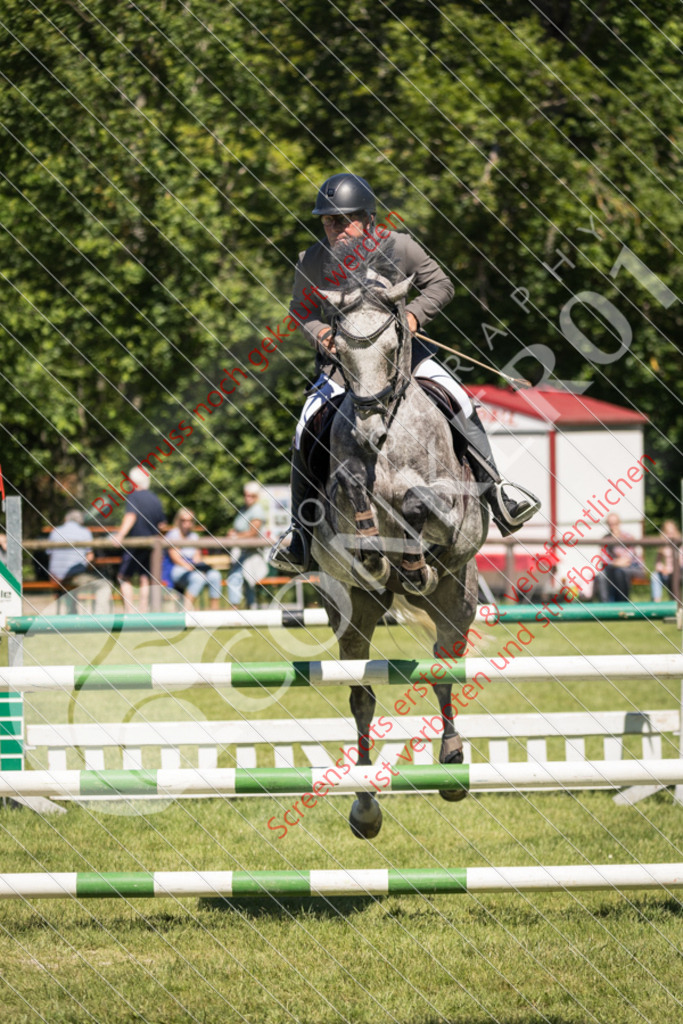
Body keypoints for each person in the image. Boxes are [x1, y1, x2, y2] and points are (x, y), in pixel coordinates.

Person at [270, 172, 540, 571]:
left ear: (367, 218)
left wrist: (412, 316)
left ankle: (499, 493)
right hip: (343, 368)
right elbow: (301, 310)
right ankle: (300, 533)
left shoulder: (400, 247)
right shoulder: (312, 259)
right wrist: (322, 333)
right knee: (304, 425)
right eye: (329, 221)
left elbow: (441, 285)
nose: (336, 229)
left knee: (460, 399)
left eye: (344, 220)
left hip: (405, 361)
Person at [113, 468, 167, 613]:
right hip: (152, 545)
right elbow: (162, 525)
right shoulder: (155, 498)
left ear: (132, 481)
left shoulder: (134, 497)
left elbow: (131, 516)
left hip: (135, 544)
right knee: (145, 578)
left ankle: (130, 612)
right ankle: (143, 611)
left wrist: (120, 536)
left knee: (123, 577)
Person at [47, 509, 110, 613]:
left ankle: (72, 613)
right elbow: (90, 557)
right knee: (104, 585)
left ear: (66, 519)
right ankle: (101, 618)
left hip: (55, 576)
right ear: (81, 521)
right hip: (72, 576)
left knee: (75, 582)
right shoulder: (85, 532)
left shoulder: (55, 531)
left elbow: (50, 556)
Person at [163, 508, 223, 611]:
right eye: (184, 520)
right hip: (176, 569)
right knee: (198, 577)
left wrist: (200, 566)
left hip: (192, 569)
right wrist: (190, 567)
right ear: (178, 520)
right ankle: (185, 611)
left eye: (190, 520)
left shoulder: (194, 536)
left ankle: (214, 613)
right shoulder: (173, 534)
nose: (187, 523)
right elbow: (175, 558)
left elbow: (197, 557)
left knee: (215, 575)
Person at [226, 482, 268, 609]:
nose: (248, 498)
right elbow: (240, 529)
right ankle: (248, 609)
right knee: (242, 580)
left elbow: (253, 532)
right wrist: (233, 533)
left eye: (252, 496)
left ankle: (236, 609)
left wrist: (235, 536)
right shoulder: (244, 509)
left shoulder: (257, 510)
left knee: (236, 578)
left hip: (252, 553)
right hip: (241, 551)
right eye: (246, 495)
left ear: (257, 497)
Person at [595, 513, 644, 603]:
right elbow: (604, 559)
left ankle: (622, 604)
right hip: (613, 568)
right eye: (610, 523)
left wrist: (615, 562)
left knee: (620, 572)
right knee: (601, 575)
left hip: (632, 567)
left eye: (615, 523)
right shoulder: (605, 539)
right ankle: (606, 606)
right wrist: (615, 563)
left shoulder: (628, 537)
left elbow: (629, 559)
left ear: (619, 523)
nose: (613, 526)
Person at [651, 519, 682, 601]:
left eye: (672, 532)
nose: (670, 535)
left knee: (674, 577)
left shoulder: (680, 545)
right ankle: (656, 602)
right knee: (655, 576)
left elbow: (681, 563)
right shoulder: (662, 547)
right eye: (668, 532)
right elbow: (657, 564)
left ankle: (676, 603)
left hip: (678, 572)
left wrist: (670, 569)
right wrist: (662, 569)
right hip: (665, 573)